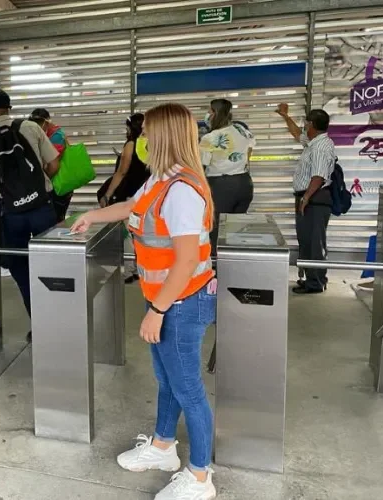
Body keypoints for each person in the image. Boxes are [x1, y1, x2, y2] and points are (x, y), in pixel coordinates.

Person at [71, 102, 218, 500]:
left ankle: (201, 477)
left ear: (164, 136)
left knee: (188, 388)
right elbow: (131, 207)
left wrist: (157, 310)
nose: (141, 140)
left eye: (147, 133)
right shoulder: (160, 179)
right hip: (168, 299)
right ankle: (163, 448)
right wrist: (92, 217)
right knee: (167, 379)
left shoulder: (182, 190)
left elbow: (187, 259)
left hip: (182, 302)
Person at [0, 88, 60, 343]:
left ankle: (39, 324)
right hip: (43, 208)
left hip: (13, 214)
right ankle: (61, 321)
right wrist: (37, 187)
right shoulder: (31, 127)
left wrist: (7, 193)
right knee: (55, 264)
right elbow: (53, 165)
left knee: (21, 268)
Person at [276, 103, 336, 294]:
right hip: (310, 199)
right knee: (308, 241)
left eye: (305, 122)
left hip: (314, 200)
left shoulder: (319, 148)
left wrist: (306, 198)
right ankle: (313, 278)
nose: (303, 126)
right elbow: (297, 134)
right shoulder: (315, 142)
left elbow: (318, 176)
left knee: (314, 243)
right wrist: (286, 116)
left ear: (311, 124)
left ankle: (315, 283)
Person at [200, 99, 256, 254]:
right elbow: (249, 150)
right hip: (244, 183)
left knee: (216, 231)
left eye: (210, 111)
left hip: (221, 187)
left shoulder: (210, 138)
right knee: (235, 231)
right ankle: (233, 268)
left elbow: (201, 166)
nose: (208, 115)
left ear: (215, 113)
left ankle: (217, 272)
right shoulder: (241, 129)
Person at [99, 113, 150, 284]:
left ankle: (129, 270)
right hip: (148, 194)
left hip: (131, 195)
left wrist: (108, 194)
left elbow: (121, 173)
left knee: (129, 234)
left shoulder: (131, 145)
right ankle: (141, 268)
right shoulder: (153, 143)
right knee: (144, 234)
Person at [29, 108, 72, 221]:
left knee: (55, 221)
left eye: (38, 124)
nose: (36, 128)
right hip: (56, 185)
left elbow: (53, 164)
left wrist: (43, 180)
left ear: (46, 122)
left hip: (59, 186)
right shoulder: (47, 135)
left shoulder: (56, 136)